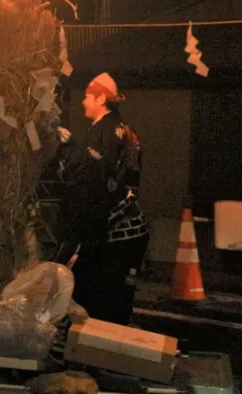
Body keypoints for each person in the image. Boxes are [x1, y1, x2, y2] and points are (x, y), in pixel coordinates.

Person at [51, 72, 149, 327]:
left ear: (101, 98)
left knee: (91, 298)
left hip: (116, 232)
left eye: (87, 97)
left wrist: (68, 247)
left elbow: (94, 184)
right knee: (109, 299)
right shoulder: (123, 130)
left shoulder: (103, 135)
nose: (83, 102)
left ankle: (98, 355)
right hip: (127, 227)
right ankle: (105, 351)